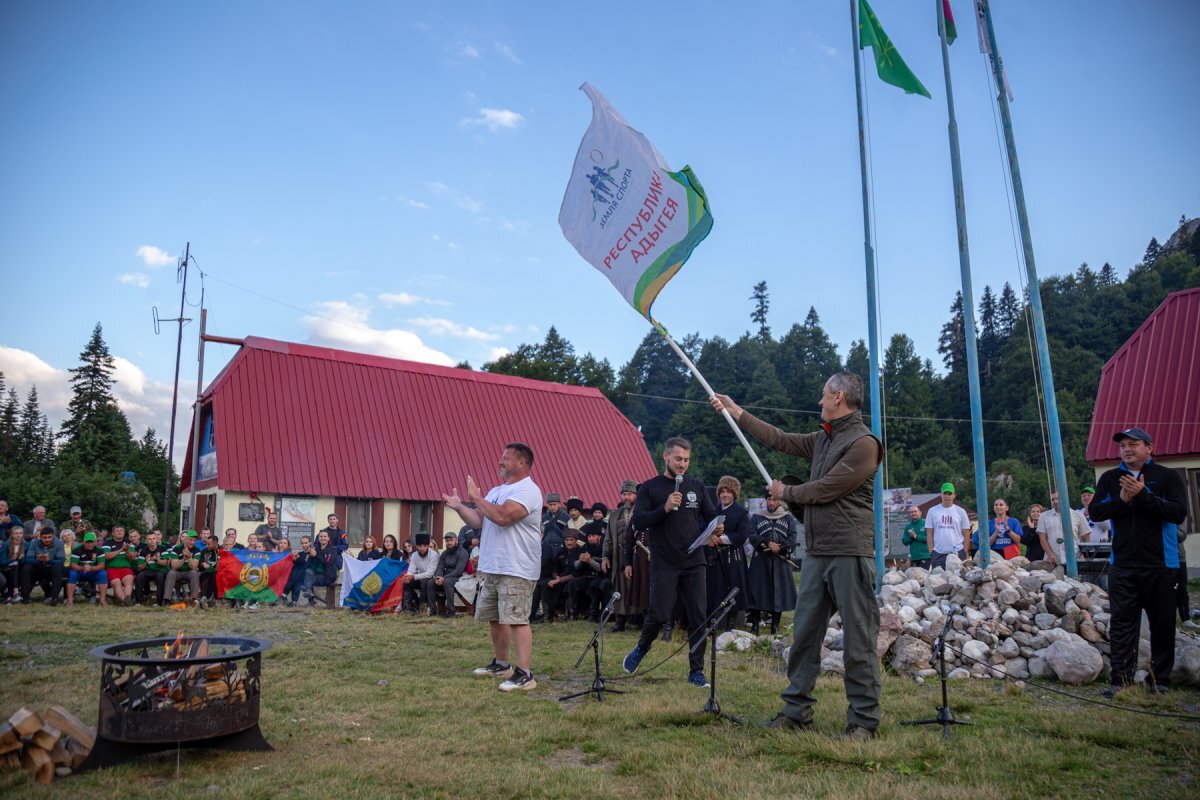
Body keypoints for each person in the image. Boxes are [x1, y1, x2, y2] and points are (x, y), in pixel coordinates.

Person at [711, 372, 883, 739]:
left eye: (824, 395)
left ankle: (865, 720)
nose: (819, 401)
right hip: (817, 552)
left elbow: (827, 489)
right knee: (804, 634)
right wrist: (738, 412)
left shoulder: (864, 444)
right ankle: (796, 711)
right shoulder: (824, 438)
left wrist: (786, 490)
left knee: (859, 638)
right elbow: (780, 439)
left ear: (838, 397)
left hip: (849, 551)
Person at [1090, 427, 1188, 696]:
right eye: (1123, 446)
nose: (1127, 449)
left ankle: (1160, 682)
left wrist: (1143, 496)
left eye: (1133, 444)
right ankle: (1120, 680)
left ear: (1149, 448)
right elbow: (1096, 511)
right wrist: (1122, 501)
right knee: (1122, 623)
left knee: (1163, 624)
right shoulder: (1111, 478)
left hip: (1162, 564)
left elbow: (1178, 512)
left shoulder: (1167, 477)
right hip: (1123, 564)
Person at [621, 436, 722, 689]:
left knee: (699, 615)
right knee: (660, 613)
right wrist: (664, 508)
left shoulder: (696, 486)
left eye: (686, 460)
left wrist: (717, 529)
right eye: (678, 459)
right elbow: (638, 522)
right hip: (664, 562)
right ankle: (642, 647)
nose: (682, 464)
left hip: (694, 560)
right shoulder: (650, 488)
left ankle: (696, 671)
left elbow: (711, 516)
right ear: (665, 456)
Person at [442, 442, 543, 692]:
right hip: (493, 565)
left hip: (516, 566)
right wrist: (461, 507)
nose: (500, 462)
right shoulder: (497, 490)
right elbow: (479, 520)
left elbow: (503, 517)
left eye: (505, 458)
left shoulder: (528, 490)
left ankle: (525, 674)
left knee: (517, 619)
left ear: (522, 462)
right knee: (495, 618)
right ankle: (501, 664)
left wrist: (476, 497)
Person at [747, 493, 799, 636]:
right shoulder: (757, 517)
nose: (771, 502)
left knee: (779, 594)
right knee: (756, 593)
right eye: (769, 499)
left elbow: (792, 537)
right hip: (761, 560)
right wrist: (767, 543)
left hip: (780, 561)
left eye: (774, 499)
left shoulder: (788, 518)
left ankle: (774, 626)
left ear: (779, 502)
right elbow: (752, 535)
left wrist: (780, 547)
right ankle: (755, 626)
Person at [706, 475, 751, 631]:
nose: (724, 494)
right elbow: (704, 529)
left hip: (733, 557)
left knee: (733, 590)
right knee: (714, 590)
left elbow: (742, 535)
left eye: (728, 492)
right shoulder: (713, 511)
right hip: (714, 557)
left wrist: (722, 539)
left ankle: (731, 627)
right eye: (722, 491)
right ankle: (713, 626)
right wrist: (710, 538)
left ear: (734, 494)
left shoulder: (741, 512)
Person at [602, 480, 639, 632]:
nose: (626, 497)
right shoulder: (614, 515)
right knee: (620, 588)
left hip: (637, 557)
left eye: (629, 494)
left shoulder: (642, 512)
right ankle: (619, 621)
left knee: (637, 587)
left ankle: (639, 620)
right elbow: (608, 539)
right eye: (624, 494)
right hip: (619, 557)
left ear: (636, 495)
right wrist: (605, 557)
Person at [1037, 491, 1089, 568]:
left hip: (1074, 559)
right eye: (1052, 499)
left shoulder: (1078, 515)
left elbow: (1086, 536)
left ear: (1065, 498)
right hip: (1052, 560)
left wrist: (1084, 553)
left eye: (1057, 498)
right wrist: (1050, 554)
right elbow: (1042, 539)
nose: (1055, 501)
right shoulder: (1043, 516)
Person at [925, 484, 971, 570]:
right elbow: (929, 533)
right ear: (941, 494)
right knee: (938, 581)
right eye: (945, 493)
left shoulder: (961, 511)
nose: (947, 496)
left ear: (954, 495)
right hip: (938, 553)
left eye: (949, 493)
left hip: (957, 552)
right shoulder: (932, 511)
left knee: (958, 580)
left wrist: (964, 551)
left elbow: (966, 534)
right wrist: (931, 551)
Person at [20, 527, 65, 604]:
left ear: (53, 536)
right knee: (26, 567)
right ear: (40, 537)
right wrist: (38, 560)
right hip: (38, 567)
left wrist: (49, 560)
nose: (47, 539)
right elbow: (28, 559)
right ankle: (25, 597)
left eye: (49, 537)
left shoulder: (59, 543)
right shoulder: (34, 543)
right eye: (44, 537)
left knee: (58, 568)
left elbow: (61, 561)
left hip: (51, 568)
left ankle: (53, 598)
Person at [301, 529, 342, 607]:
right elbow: (309, 565)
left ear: (328, 538)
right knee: (307, 572)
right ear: (318, 538)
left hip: (329, 576)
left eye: (325, 536)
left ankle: (310, 599)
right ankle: (309, 594)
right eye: (321, 536)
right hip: (318, 574)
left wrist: (316, 555)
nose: (323, 538)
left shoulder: (332, 549)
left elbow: (327, 563)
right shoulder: (316, 549)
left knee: (307, 581)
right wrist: (310, 556)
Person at [66, 532, 108, 606]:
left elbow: (102, 565)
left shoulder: (99, 550)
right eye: (87, 542)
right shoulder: (76, 550)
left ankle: (102, 600)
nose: (90, 544)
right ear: (83, 542)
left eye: (91, 542)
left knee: (103, 574)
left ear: (95, 542)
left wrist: (91, 568)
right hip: (80, 571)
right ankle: (70, 600)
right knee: (72, 574)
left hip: (93, 572)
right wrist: (82, 568)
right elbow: (73, 565)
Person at [434, 531, 469, 616]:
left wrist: (444, 578)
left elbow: (458, 570)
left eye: (451, 540)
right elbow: (440, 567)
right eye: (447, 541)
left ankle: (451, 610)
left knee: (447, 582)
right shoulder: (444, 554)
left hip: (459, 576)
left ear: (456, 540)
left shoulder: (463, 552)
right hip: (447, 576)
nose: (449, 542)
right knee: (431, 583)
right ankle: (433, 610)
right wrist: (438, 577)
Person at [402, 533, 439, 614]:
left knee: (424, 582)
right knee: (406, 583)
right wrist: (407, 577)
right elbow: (411, 571)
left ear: (428, 545)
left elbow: (430, 574)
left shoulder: (434, 555)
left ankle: (422, 608)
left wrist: (413, 577)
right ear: (416, 546)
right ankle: (406, 609)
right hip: (419, 577)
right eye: (420, 546)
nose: (422, 548)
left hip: (432, 580)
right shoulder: (414, 555)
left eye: (424, 546)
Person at [102, 525, 137, 606]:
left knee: (129, 581)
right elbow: (106, 556)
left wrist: (127, 550)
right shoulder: (107, 543)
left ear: (124, 533)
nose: (119, 532)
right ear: (113, 534)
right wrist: (121, 550)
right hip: (112, 569)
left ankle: (126, 598)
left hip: (125, 568)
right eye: (117, 531)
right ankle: (125, 600)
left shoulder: (129, 542)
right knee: (117, 584)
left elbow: (132, 558)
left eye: (121, 530)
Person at [134, 530, 170, 605]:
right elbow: (140, 568)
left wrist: (156, 560)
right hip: (149, 570)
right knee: (139, 576)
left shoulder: (162, 548)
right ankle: (139, 601)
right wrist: (146, 562)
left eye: (153, 538)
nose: (152, 541)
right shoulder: (144, 550)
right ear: (146, 541)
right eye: (149, 539)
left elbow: (166, 563)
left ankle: (159, 602)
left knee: (160, 576)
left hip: (161, 570)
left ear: (156, 539)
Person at [164, 531, 201, 602]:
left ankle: (193, 599)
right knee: (171, 573)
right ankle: (166, 599)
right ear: (185, 540)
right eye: (190, 540)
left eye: (194, 540)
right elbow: (174, 566)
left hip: (189, 572)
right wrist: (184, 559)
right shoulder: (176, 549)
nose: (192, 542)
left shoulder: (197, 550)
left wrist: (189, 557)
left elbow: (194, 567)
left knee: (194, 573)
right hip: (178, 572)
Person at [283, 535, 312, 606]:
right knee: (294, 576)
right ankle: (293, 601)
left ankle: (285, 596)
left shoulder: (312, 553)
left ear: (310, 543)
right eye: (302, 543)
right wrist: (294, 559)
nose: (304, 545)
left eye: (306, 543)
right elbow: (295, 565)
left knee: (296, 579)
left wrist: (298, 558)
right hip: (297, 576)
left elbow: (307, 565)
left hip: (308, 576)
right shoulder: (300, 553)